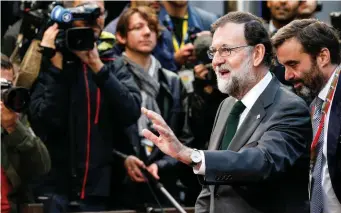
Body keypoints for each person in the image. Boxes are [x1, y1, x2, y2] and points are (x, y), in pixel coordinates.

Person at [140, 11, 312, 213]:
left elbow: (262, 162)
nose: (216, 61)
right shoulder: (227, 106)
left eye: (227, 50)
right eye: (214, 52)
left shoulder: (290, 107)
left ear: (257, 53)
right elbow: (212, 190)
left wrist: (190, 155)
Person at [28, 0, 141, 212]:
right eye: (87, 11)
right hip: (54, 191)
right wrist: (55, 69)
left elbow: (131, 111)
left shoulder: (110, 61)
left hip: (98, 192)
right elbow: (44, 122)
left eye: (100, 12)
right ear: (68, 15)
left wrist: (98, 67)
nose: (95, 19)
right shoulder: (51, 59)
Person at [115, 6, 193, 208]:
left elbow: (185, 137)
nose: (147, 32)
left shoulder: (173, 82)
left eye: (151, 27)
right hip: (121, 187)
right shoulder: (112, 78)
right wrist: (123, 160)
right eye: (138, 27)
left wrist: (161, 165)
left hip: (164, 184)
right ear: (121, 37)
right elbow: (101, 135)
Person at [272, 18, 341, 213]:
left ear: (323, 57)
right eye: (284, 66)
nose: (287, 76)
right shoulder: (313, 102)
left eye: (293, 64)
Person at [1, 53, 51, 213]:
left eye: (7, 87)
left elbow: (42, 167)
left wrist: (12, 127)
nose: (3, 94)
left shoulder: (15, 119)